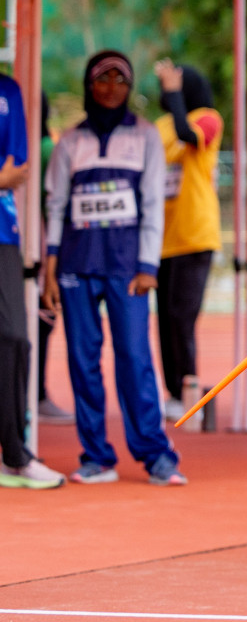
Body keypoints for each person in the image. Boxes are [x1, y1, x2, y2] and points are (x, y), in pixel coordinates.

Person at [43, 51, 185, 486]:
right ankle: (96, 457)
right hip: (76, 266)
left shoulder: (145, 138)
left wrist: (148, 266)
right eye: (101, 80)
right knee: (83, 362)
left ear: (129, 87)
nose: (110, 88)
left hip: (128, 269)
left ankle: (156, 456)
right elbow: (57, 205)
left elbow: (151, 207)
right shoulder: (70, 141)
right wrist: (50, 266)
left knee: (135, 359)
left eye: (119, 80)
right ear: (89, 85)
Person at [0, 70, 65, 489]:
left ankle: (15, 453)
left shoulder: (9, 91)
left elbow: (16, 170)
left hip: (3, 232)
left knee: (15, 338)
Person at [152, 61, 222, 428]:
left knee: (183, 317)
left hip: (195, 235)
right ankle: (173, 395)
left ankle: (189, 392)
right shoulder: (158, 127)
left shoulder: (208, 119)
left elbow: (187, 134)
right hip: (162, 239)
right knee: (164, 320)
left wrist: (175, 91)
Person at [33, 92, 72, 426]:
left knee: (40, 322)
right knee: (40, 323)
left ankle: (36, 394)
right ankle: (36, 395)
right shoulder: (46, 148)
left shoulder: (46, 149)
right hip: (38, 246)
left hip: (41, 245)